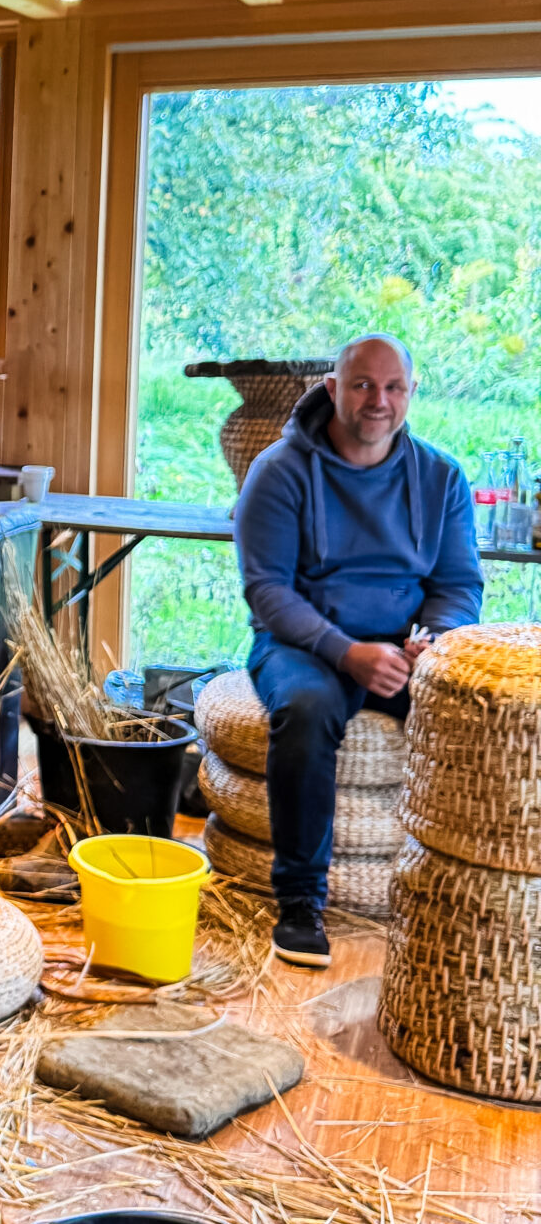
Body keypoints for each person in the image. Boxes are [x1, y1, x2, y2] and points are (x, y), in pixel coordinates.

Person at [233, 335, 481, 968]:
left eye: (394, 387)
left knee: (480, 712)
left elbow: (458, 586)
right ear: (331, 388)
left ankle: (465, 890)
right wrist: (347, 653)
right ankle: (300, 903)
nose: (379, 400)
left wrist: (434, 641)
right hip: (301, 644)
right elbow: (267, 590)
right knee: (307, 710)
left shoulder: (442, 476)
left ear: (412, 393)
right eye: (364, 385)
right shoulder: (279, 470)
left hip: (403, 646)